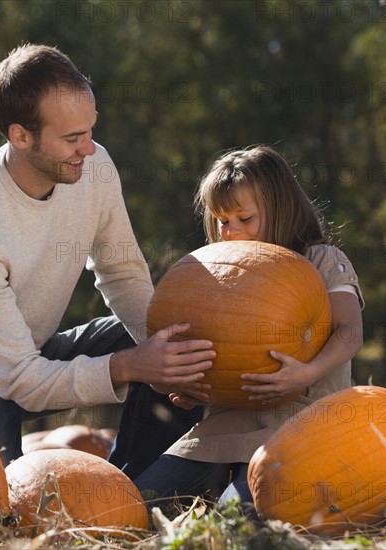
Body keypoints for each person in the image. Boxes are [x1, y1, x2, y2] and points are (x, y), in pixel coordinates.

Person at [0, 44, 214, 467]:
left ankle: (139, 493)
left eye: (91, 130)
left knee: (172, 343)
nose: (90, 148)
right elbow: (20, 380)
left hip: (28, 353)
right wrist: (132, 366)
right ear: (20, 136)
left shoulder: (93, 168)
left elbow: (122, 274)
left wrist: (163, 358)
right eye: (73, 138)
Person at [133, 145, 364, 509]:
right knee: (139, 505)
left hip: (300, 426)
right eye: (223, 221)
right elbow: (217, 354)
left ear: (279, 209)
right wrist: (192, 388)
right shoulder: (218, 278)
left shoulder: (321, 259)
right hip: (224, 429)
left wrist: (306, 373)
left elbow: (350, 332)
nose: (231, 232)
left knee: (235, 519)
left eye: (244, 218)